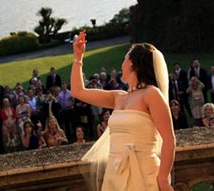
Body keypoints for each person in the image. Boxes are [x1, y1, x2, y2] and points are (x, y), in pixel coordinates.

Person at [71, 30, 175, 191]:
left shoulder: (151, 94)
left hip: (145, 173)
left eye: (125, 57)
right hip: (116, 174)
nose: (122, 62)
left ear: (133, 64)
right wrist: (78, 57)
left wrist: (162, 179)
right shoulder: (119, 97)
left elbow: (169, 139)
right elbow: (78, 91)